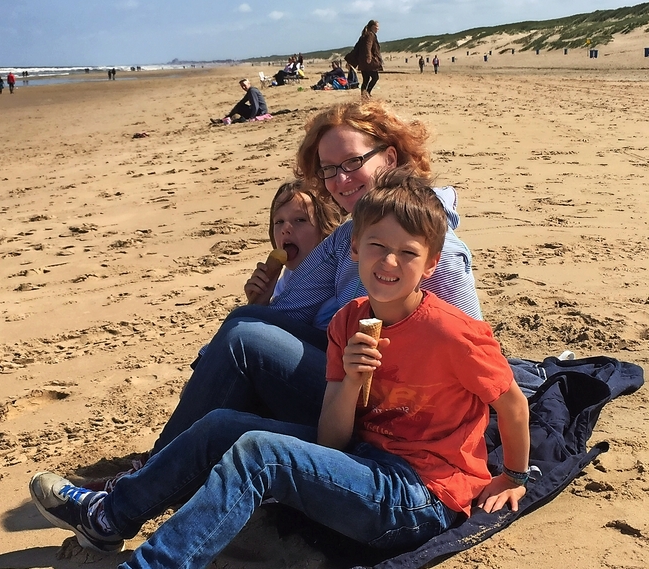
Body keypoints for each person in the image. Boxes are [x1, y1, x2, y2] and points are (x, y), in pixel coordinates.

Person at [27, 169, 531, 569]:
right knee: (223, 426)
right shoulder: (348, 323)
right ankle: (108, 516)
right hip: (362, 455)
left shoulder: (451, 331)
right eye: (377, 246)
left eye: (407, 253)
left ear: (432, 261)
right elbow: (333, 439)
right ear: (354, 249)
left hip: (421, 494)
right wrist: (352, 380)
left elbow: (512, 402)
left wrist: (511, 474)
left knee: (259, 453)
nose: (389, 263)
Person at [84, 100, 482, 491]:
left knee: (245, 339)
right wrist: (250, 316)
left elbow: (474, 348)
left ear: (389, 158)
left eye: (351, 163)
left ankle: (150, 474)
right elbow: (289, 314)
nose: (340, 180)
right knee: (245, 321)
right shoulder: (348, 237)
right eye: (328, 170)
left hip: (383, 397)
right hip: (337, 366)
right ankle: (163, 461)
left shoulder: (437, 249)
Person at [245, 180, 342, 307]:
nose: (286, 228)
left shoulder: (335, 278)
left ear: (325, 231)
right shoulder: (286, 279)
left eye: (299, 220)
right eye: (279, 222)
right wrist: (259, 301)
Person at [347, 19, 383, 98]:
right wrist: (368, 57)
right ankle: (367, 93)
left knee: (366, 80)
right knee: (375, 77)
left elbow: (356, 48)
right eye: (377, 27)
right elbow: (368, 46)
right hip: (368, 62)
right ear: (373, 27)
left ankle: (363, 96)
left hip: (362, 63)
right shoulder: (370, 35)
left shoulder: (364, 35)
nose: (378, 28)